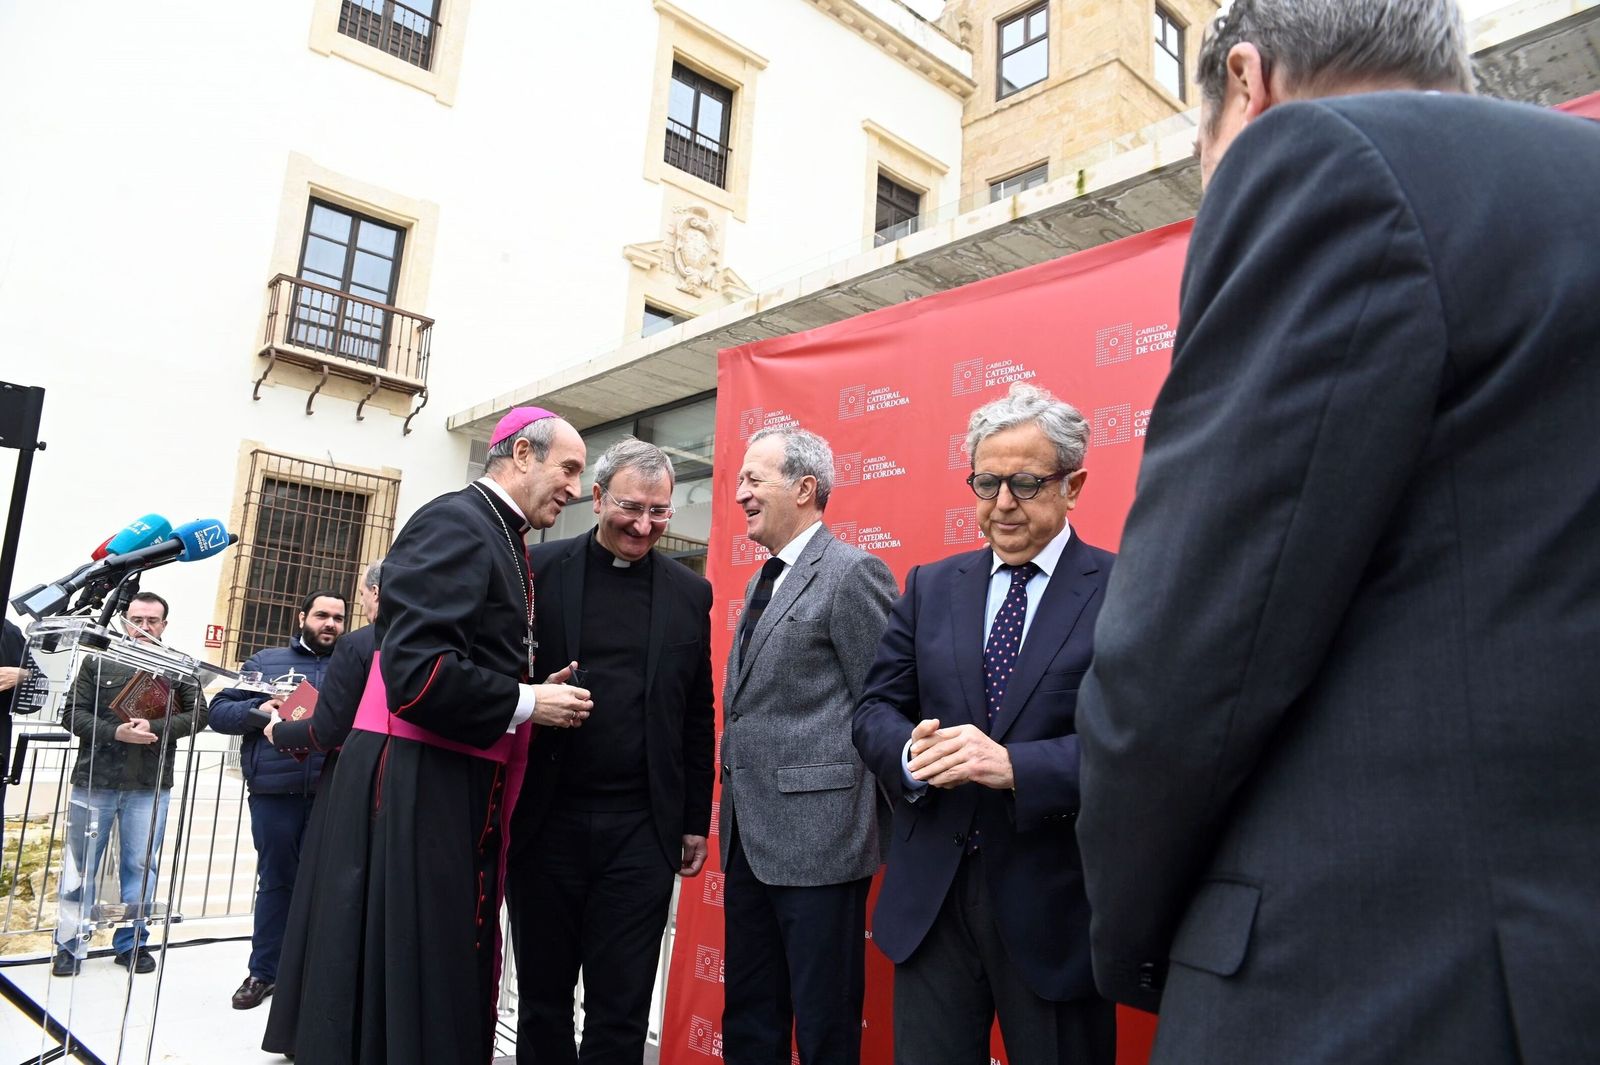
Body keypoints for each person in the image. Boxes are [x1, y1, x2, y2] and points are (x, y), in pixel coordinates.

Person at [1074, 2, 1600, 1063]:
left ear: (1246, 81)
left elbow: (1187, 646)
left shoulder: (1319, 159)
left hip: (1379, 981)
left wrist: (1131, 935)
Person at [290, 407, 593, 1065]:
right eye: (567, 468)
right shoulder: (456, 522)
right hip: (419, 784)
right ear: (520, 453)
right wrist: (527, 699)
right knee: (416, 968)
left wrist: (531, 688)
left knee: (442, 963)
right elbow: (418, 676)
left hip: (450, 781)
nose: (574, 487)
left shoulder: (498, 532)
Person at [852, 384, 1116, 1065]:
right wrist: (909, 754)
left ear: (1073, 483)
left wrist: (1018, 768)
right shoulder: (931, 585)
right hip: (931, 905)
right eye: (987, 481)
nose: (1002, 503)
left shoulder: (1124, 591)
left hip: (1056, 906)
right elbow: (875, 709)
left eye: (1025, 483)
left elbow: (1146, 743)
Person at [510, 438, 715, 1064]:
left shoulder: (689, 591)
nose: (644, 525)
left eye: (660, 513)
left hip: (639, 833)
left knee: (621, 1004)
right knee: (543, 1000)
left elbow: (697, 711)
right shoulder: (537, 572)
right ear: (597, 498)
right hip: (546, 822)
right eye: (631, 507)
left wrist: (691, 820)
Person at [719, 426, 897, 1065]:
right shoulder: (762, 580)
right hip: (749, 837)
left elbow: (886, 704)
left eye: (753, 479)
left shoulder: (853, 574)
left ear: (804, 487)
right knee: (749, 1018)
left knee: (824, 1027)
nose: (739, 493)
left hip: (821, 842)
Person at [261, 558, 384, 1057]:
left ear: (373, 594)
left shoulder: (362, 645)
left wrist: (277, 731)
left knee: (328, 905)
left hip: (347, 787)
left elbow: (324, 729)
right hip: (394, 792)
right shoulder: (442, 641)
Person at [51, 592, 208, 977]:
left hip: (149, 784)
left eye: (153, 621)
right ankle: (70, 945)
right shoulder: (98, 659)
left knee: (140, 866)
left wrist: (154, 728)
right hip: (94, 781)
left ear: (164, 625)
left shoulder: (179, 667)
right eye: (137, 619)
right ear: (125, 622)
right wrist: (115, 732)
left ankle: (133, 944)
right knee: (79, 866)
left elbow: (199, 715)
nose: (144, 627)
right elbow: (71, 713)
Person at [209, 588, 347, 1009]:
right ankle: (263, 973)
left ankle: (315, 975)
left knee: (331, 887)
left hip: (334, 792)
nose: (330, 624)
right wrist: (261, 711)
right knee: (276, 882)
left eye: (339, 618)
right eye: (322, 615)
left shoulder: (353, 664)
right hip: (276, 793)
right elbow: (217, 713)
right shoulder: (264, 663)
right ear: (301, 616)